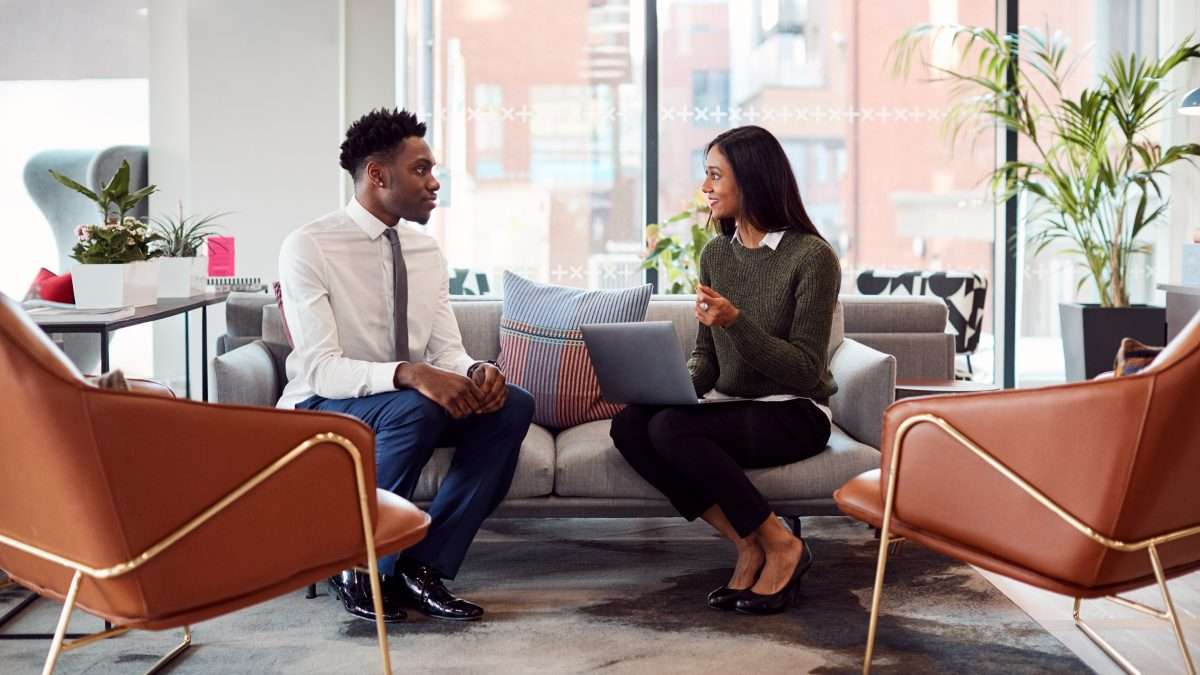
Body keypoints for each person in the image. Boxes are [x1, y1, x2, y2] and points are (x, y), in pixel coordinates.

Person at [277, 108, 535, 623]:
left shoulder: (426, 250)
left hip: (409, 403)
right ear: (377, 175)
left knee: (512, 407)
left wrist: (477, 370)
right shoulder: (309, 245)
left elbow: (445, 351)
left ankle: (422, 564)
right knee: (415, 409)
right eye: (421, 169)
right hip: (325, 400)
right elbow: (322, 367)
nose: (434, 182)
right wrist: (409, 373)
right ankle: (359, 562)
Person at [610, 125, 839, 615]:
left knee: (672, 430)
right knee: (631, 423)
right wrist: (666, 387)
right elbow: (706, 360)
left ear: (751, 180)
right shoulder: (716, 253)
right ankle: (746, 541)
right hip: (732, 407)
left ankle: (783, 544)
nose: (705, 188)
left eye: (715, 175)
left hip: (794, 412)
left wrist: (736, 322)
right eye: (705, 176)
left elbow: (803, 369)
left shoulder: (812, 257)